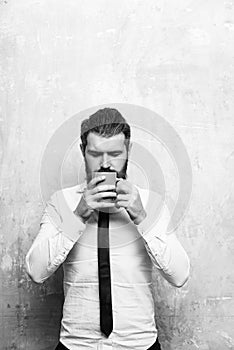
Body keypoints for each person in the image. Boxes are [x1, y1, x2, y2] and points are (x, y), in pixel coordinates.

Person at [25, 108, 190, 350]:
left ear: (128, 151)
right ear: (83, 152)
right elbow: (35, 271)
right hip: (77, 345)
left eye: (114, 153)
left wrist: (143, 218)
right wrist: (78, 216)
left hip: (139, 344)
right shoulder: (62, 202)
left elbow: (180, 275)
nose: (105, 164)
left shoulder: (151, 203)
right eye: (95, 154)